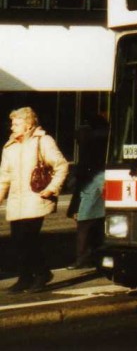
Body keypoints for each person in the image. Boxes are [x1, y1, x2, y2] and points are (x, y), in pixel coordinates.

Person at [0, 107, 69, 292]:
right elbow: (4, 176)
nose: (12, 127)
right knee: (17, 241)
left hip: (36, 198)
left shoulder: (43, 141)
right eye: (12, 123)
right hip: (16, 200)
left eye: (16, 123)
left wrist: (51, 189)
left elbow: (61, 166)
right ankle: (24, 278)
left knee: (28, 239)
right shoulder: (10, 147)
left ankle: (42, 273)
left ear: (28, 124)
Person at [66, 113, 109, 269]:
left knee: (85, 222)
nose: (77, 139)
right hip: (97, 185)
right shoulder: (103, 141)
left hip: (92, 186)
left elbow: (84, 175)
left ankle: (83, 257)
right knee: (97, 222)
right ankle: (94, 255)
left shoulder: (90, 146)